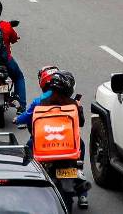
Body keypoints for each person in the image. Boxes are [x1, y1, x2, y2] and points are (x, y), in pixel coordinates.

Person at [29, 70, 88, 209]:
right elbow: (81, 122)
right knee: (80, 154)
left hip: (46, 146)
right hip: (68, 149)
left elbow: (32, 124)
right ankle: (83, 192)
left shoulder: (42, 103)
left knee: (30, 154)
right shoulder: (73, 104)